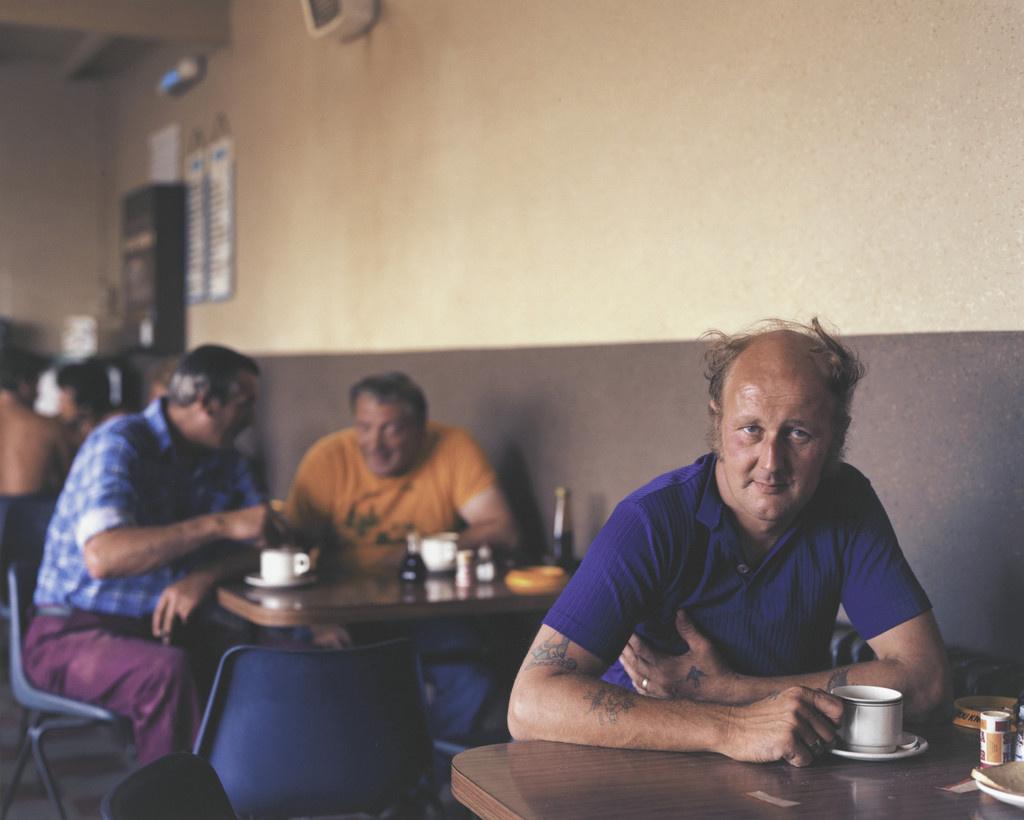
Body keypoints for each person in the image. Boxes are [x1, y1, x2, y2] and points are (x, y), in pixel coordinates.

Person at [508, 318, 952, 767]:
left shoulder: (847, 502)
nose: (771, 463)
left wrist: (733, 690)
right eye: (750, 429)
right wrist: (730, 725)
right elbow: (530, 704)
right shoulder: (650, 520)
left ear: (837, 433)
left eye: (799, 432)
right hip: (632, 771)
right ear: (717, 418)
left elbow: (928, 685)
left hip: (787, 773)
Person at [24, 345, 290, 765]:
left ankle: (259, 798)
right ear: (206, 402)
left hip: (165, 630)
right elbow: (104, 557)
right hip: (69, 636)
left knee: (280, 659)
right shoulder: (119, 442)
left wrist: (204, 576)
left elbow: (271, 540)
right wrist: (218, 525)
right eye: (245, 405)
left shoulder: (225, 460)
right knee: (165, 674)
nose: (252, 420)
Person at [285, 371, 519, 738]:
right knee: (334, 687)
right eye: (364, 427)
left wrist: (421, 552)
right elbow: (288, 547)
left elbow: (501, 529)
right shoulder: (327, 458)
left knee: (471, 679)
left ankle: (423, 781)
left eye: (391, 429)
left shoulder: (453, 446)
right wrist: (318, 618)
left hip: (424, 609)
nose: (374, 444)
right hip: (340, 612)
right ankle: (372, 782)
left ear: (421, 427)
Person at [0, 345, 71, 497]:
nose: (38, 394)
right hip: (33, 517)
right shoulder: (49, 428)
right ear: (23, 383)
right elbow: (72, 485)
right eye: (36, 384)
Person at [56, 358, 119, 449]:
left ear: (85, 407)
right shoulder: (65, 435)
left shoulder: (109, 438)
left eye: (64, 398)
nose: (59, 404)